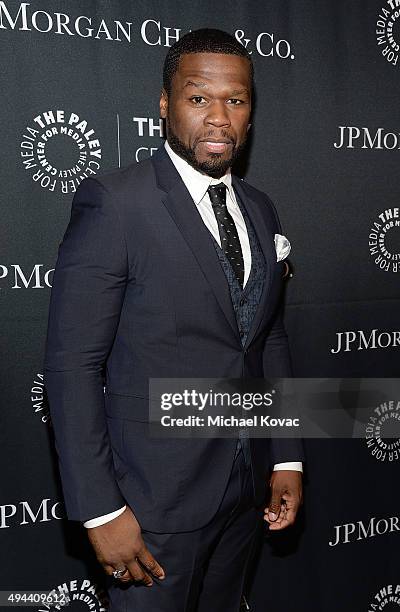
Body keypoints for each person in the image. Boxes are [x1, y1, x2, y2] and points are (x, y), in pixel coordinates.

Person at [44, 28, 304, 612]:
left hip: (244, 490)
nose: (218, 117)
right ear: (165, 104)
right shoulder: (114, 203)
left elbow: (270, 341)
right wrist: (101, 509)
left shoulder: (261, 208)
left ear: (251, 111)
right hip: (150, 504)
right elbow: (72, 366)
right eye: (197, 98)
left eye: (235, 101)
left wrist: (285, 454)